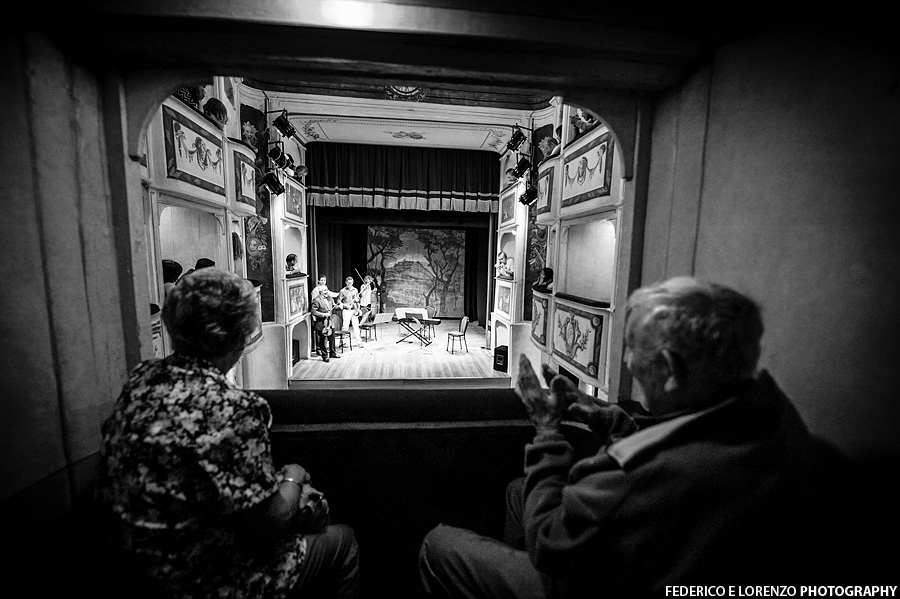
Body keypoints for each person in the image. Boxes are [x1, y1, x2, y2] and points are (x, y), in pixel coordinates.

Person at [419, 276, 817, 597]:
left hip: (602, 582)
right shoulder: (769, 410)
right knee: (518, 491)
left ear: (669, 368)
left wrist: (547, 431)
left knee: (439, 546)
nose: (626, 360)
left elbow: (551, 537)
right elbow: (686, 433)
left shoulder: (655, 476)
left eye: (631, 348)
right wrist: (609, 420)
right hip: (672, 557)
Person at [96, 268, 360, 598]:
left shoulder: (141, 378)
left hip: (128, 570)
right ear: (240, 337)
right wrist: (293, 476)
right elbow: (270, 523)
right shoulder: (235, 408)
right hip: (201, 581)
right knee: (342, 539)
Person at [312, 285, 341, 362]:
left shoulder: (330, 298)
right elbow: (314, 312)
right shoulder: (316, 300)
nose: (326, 292)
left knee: (332, 338)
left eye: (327, 290)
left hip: (330, 322)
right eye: (324, 290)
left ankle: (333, 353)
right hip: (322, 323)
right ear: (320, 292)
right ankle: (325, 356)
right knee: (323, 340)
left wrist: (340, 306)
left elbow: (334, 307)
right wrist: (324, 314)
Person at [338, 276, 363, 347]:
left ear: (353, 282)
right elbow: (339, 301)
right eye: (348, 283)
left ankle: (359, 342)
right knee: (345, 326)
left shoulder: (355, 290)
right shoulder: (342, 291)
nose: (349, 284)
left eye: (351, 283)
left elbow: (358, 300)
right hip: (347, 310)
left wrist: (357, 300)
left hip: (354, 310)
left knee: (356, 326)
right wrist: (345, 305)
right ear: (346, 282)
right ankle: (343, 342)